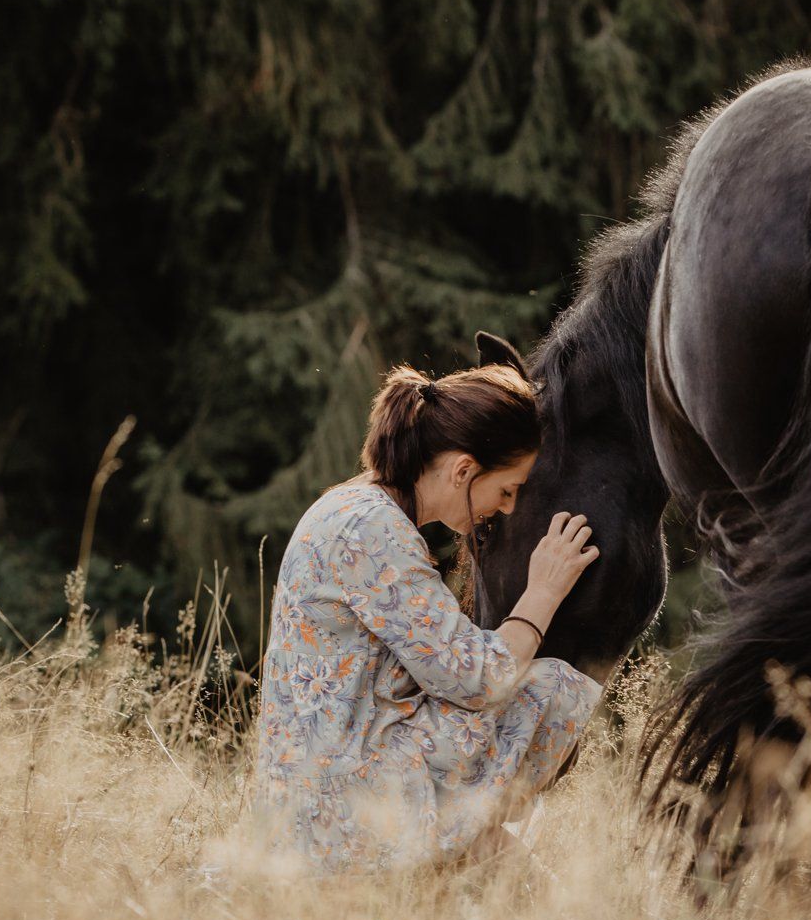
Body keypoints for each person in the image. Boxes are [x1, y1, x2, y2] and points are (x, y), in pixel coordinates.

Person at [250, 360, 602, 873]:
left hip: (317, 801)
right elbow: (477, 677)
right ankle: (448, 849)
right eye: (506, 490)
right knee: (545, 686)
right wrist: (543, 591)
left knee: (515, 871)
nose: (506, 509)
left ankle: (465, 847)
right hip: (340, 813)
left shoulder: (351, 508)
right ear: (463, 470)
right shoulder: (372, 528)